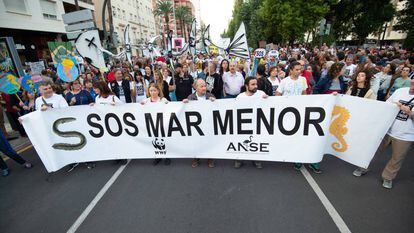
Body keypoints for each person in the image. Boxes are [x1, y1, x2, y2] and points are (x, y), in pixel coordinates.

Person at [353, 78, 414, 189]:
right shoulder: (400, 91)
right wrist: (394, 105)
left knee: (397, 158)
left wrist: (410, 112)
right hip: (387, 129)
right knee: (373, 150)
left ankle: (388, 177)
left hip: (406, 135)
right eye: (413, 81)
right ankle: (363, 167)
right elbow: (387, 105)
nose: (412, 84)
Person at [234, 77, 268, 169]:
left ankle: (256, 159)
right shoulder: (240, 97)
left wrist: (268, 100)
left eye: (256, 84)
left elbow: (268, 106)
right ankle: (239, 159)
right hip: (244, 124)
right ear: (246, 86)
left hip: (257, 123)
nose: (255, 86)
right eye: (252, 84)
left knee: (256, 141)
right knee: (242, 141)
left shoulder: (261, 94)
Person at [183, 79, 216, 168]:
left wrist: (214, 102)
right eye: (201, 86)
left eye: (205, 85)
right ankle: (196, 158)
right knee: (196, 141)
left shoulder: (210, 96)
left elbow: (217, 109)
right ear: (196, 87)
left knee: (209, 141)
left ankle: (210, 158)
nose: (204, 88)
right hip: (195, 125)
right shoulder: (190, 97)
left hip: (208, 123)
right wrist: (184, 104)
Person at [141, 83, 170, 166]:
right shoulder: (146, 101)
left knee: (164, 139)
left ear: (158, 91)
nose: (152, 92)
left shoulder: (163, 100)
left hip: (163, 123)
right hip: (152, 124)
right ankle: (158, 157)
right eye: (151, 91)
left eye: (154, 90)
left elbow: (171, 108)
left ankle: (168, 156)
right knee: (155, 139)